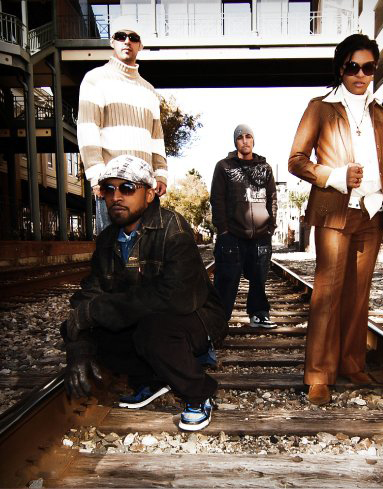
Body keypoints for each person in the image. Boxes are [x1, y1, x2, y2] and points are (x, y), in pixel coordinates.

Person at [61, 155, 227, 431]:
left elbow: (174, 297)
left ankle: (198, 394)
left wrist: (97, 311)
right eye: (108, 189)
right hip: (143, 317)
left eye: (127, 188)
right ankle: (152, 379)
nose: (116, 197)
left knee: (152, 331)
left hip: (197, 317)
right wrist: (79, 348)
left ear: (149, 195)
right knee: (79, 326)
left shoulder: (173, 229)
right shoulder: (107, 240)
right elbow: (88, 298)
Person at [288, 34, 383, 405]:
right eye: (353, 67)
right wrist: (334, 176)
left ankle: (352, 363)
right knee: (328, 293)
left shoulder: (380, 113)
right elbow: (296, 160)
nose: (360, 75)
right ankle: (319, 375)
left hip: (372, 213)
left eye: (368, 68)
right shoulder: (321, 107)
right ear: (341, 69)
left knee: (358, 294)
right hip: (335, 212)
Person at [77, 15, 168, 234]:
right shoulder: (95, 79)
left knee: (148, 249)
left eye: (133, 37)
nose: (127, 41)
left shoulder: (149, 90)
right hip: (112, 186)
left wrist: (161, 174)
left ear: (140, 45)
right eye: (121, 36)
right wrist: (96, 176)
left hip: (144, 186)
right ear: (112, 41)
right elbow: (88, 129)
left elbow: (156, 137)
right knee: (111, 249)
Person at [210, 124, 278, 328]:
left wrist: (271, 227)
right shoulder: (224, 166)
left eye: (249, 136)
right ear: (235, 142)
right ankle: (218, 320)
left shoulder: (265, 168)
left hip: (261, 233)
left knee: (259, 277)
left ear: (254, 140)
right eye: (240, 137)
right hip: (232, 233)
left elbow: (272, 198)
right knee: (226, 278)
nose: (245, 140)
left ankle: (259, 314)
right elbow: (217, 199)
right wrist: (223, 230)